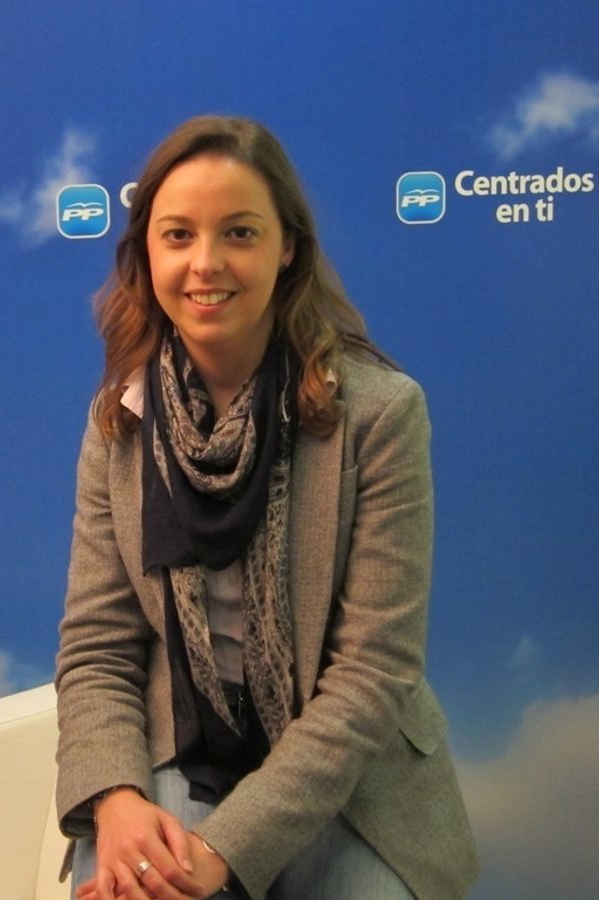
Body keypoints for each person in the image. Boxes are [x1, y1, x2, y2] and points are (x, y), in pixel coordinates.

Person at [53, 115, 478, 900]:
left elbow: (373, 673)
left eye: (239, 233)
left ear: (288, 248)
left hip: (349, 772)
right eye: (178, 235)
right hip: (179, 747)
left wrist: (226, 847)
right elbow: (97, 646)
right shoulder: (120, 421)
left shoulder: (381, 413)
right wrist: (113, 799)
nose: (205, 263)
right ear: (148, 253)